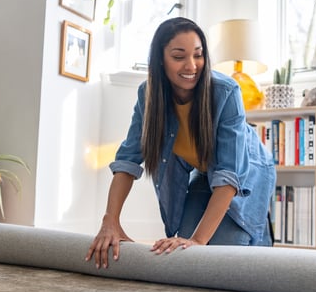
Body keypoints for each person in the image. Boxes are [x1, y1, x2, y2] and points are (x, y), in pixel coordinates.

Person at [85, 17, 276, 269]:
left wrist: (198, 240)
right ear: (160, 60)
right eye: (179, 56)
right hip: (205, 173)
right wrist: (110, 221)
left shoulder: (226, 91)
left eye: (198, 55)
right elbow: (127, 160)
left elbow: (230, 175)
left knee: (221, 259)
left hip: (246, 173)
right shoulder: (148, 95)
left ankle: (259, 232)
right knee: (182, 256)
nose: (192, 65)